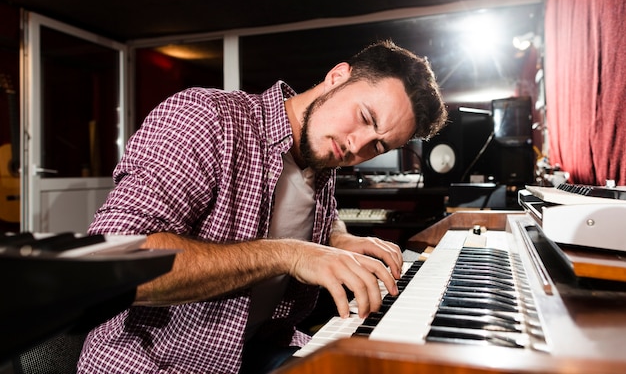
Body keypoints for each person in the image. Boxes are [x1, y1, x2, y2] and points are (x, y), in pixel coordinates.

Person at [77, 39, 447, 374]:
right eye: (366, 118)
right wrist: (289, 255)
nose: (358, 146)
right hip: (156, 363)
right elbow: (114, 264)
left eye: (378, 146)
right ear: (337, 77)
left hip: (255, 351)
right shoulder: (206, 117)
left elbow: (316, 214)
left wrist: (338, 239)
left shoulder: (323, 154)